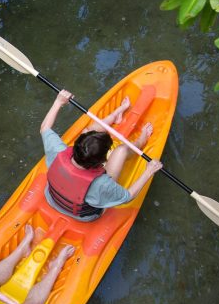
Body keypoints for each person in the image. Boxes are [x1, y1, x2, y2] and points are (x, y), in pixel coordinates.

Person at [40, 89, 163, 221]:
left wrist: (58, 102)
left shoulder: (58, 150)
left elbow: (44, 128)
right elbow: (129, 196)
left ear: (76, 145)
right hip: (84, 215)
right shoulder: (101, 183)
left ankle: (115, 116)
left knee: (89, 131)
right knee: (121, 150)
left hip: (51, 199)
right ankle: (141, 141)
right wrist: (149, 171)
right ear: (103, 161)